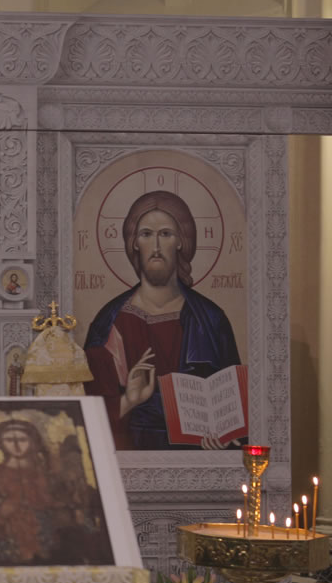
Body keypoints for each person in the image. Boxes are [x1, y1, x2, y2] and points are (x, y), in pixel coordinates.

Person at [83, 190, 240, 450]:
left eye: (165, 234)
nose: (156, 247)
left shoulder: (211, 320)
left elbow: (233, 410)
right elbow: (89, 418)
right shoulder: (110, 323)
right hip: (131, 453)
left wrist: (223, 435)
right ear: (134, 242)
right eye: (146, 234)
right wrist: (130, 400)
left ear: (181, 241)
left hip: (197, 456)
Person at [0, 418, 113, 566]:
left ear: (32, 442)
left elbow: (65, 503)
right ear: (0, 444)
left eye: (22, 440)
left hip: (48, 534)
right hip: (5, 532)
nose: (16, 445)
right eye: (9, 440)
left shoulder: (47, 474)